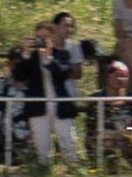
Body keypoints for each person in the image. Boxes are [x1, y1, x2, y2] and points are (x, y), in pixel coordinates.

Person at [9, 20, 80, 165]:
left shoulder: (62, 54)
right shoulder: (30, 58)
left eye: (45, 37)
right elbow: (18, 77)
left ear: (53, 37)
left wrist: (49, 59)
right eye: (38, 37)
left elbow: (64, 74)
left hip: (60, 106)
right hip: (38, 107)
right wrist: (25, 55)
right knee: (42, 150)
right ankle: (45, 174)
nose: (41, 41)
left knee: (68, 145)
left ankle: (73, 172)